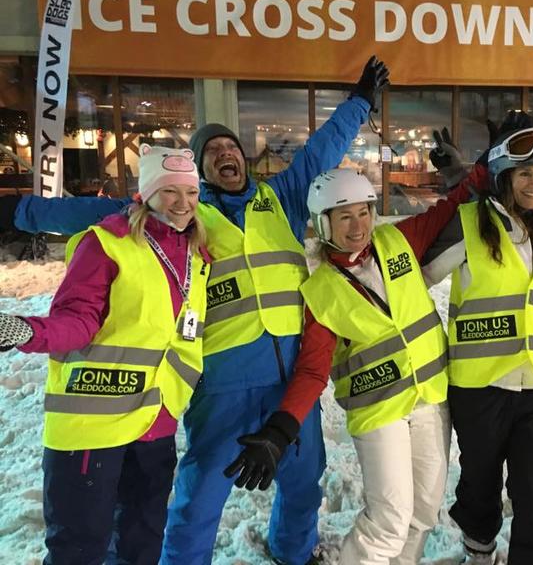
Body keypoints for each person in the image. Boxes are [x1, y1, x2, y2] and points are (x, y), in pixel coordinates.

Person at [6, 56, 389, 565]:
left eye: (231, 147)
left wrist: (359, 102)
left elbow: (323, 148)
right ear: (200, 170)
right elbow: (89, 212)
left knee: (304, 479)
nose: (225, 154)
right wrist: (18, 212)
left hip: (290, 376)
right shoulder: (185, 212)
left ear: (244, 160)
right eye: (212, 152)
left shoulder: (281, 199)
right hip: (222, 379)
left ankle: (292, 552)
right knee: (202, 492)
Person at [222, 152, 487, 564]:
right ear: (323, 223)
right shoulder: (322, 292)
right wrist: (279, 432)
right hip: (379, 410)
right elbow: (312, 371)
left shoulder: (398, 241)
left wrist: (488, 162)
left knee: (422, 513)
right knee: (388, 521)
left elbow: (451, 207)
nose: (358, 226)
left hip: (430, 399)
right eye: (344, 217)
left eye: (364, 213)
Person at [0, 145, 209, 564]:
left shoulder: (197, 255)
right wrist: (29, 330)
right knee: (79, 548)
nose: (182, 203)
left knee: (141, 544)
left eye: (190, 192)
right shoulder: (107, 243)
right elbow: (78, 320)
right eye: (170, 191)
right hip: (93, 424)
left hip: (155, 422)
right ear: (146, 193)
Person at [422, 115, 533, 565]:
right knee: (480, 486)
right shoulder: (470, 223)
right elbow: (417, 281)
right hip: (481, 386)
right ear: (504, 174)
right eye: (525, 173)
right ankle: (479, 551)